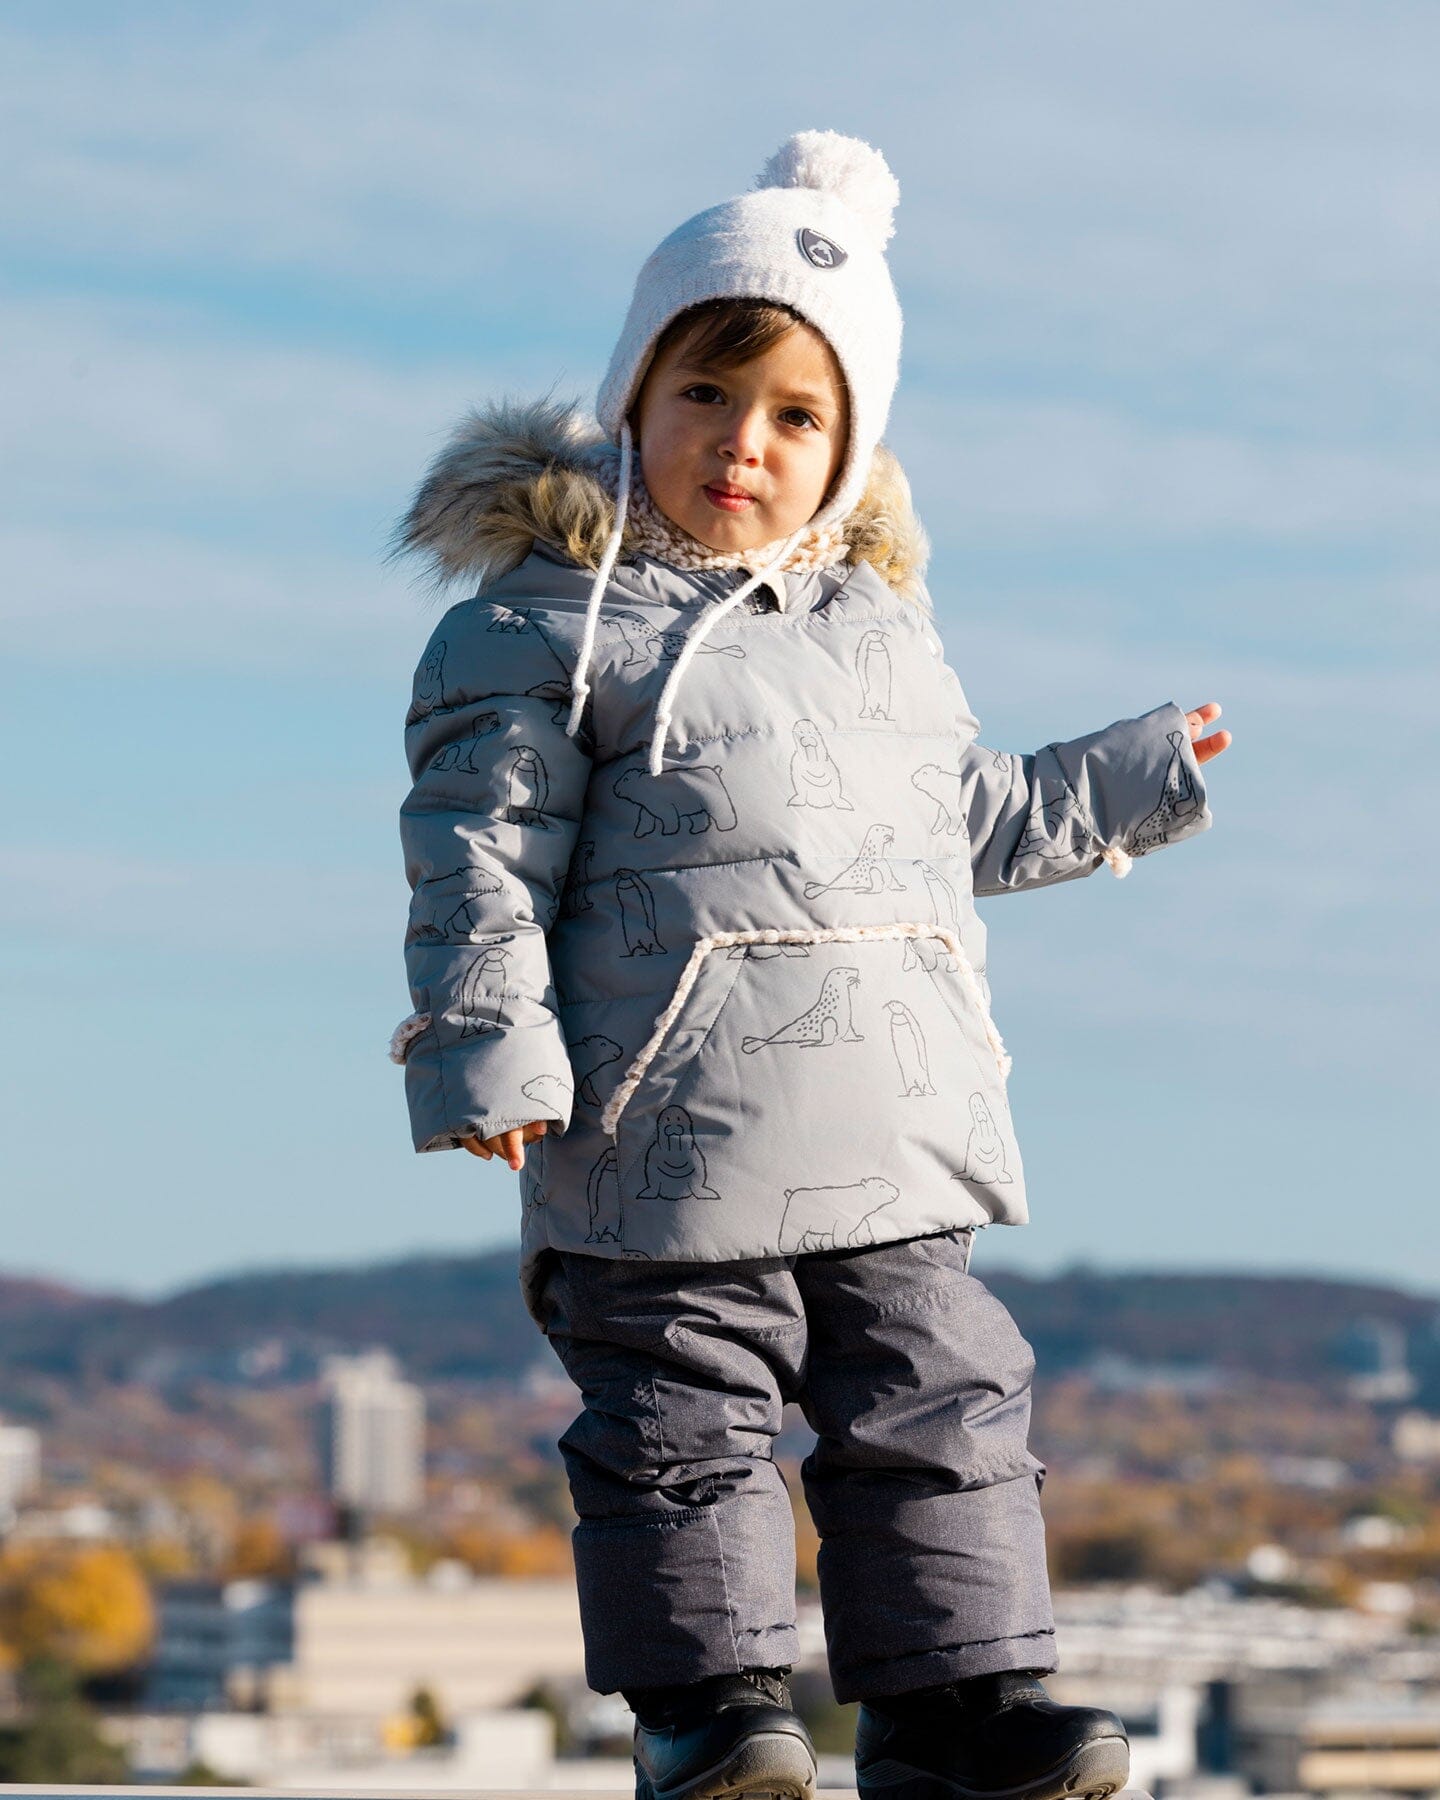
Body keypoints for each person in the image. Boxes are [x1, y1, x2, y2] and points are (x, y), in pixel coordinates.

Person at [389, 129, 1230, 1800]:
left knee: (943, 1401)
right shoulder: (550, 619)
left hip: (894, 1120)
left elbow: (951, 821)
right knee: (684, 1424)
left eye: (795, 417)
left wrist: (1122, 782)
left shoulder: (879, 628)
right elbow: (479, 846)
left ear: (850, 450)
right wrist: (488, 1047)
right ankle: (713, 1713)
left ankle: (954, 1708)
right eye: (709, 394)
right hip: (663, 1125)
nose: (742, 445)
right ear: (636, 393)